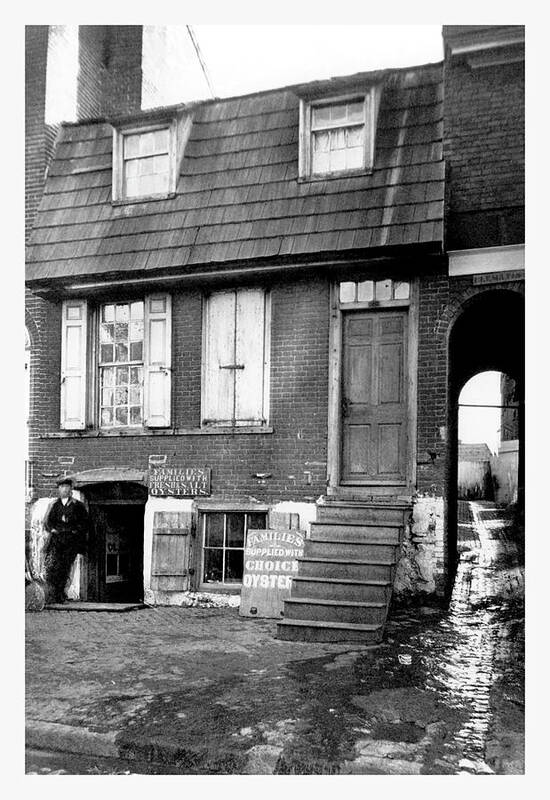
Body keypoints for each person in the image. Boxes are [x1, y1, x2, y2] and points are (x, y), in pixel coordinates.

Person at [43, 478, 89, 603]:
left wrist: (75, 531)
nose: (64, 489)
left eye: (66, 487)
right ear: (59, 489)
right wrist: (52, 529)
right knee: (55, 568)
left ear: (71, 489)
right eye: (61, 487)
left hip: (70, 542)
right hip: (57, 541)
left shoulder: (77, 505)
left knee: (65, 568)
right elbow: (48, 522)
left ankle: (61, 594)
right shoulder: (55, 505)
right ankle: (55, 595)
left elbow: (84, 523)